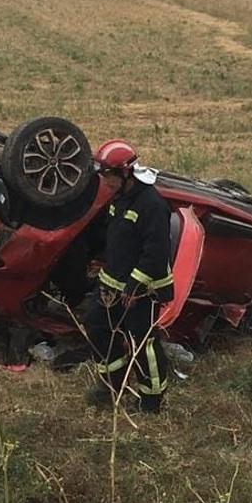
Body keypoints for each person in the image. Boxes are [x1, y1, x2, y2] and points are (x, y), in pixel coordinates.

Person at [85, 140, 173, 413]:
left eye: (108, 176)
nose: (105, 182)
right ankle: (113, 384)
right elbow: (116, 239)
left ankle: (151, 400)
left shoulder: (152, 205)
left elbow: (156, 254)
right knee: (97, 328)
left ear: (125, 174)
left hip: (143, 290)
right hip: (112, 284)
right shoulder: (120, 199)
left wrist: (135, 286)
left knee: (142, 343)